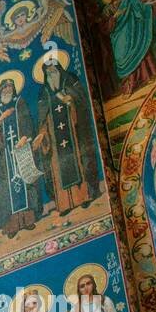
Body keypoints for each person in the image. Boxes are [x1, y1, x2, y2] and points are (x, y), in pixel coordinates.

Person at [34, 57, 101, 214]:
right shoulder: (44, 92)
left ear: (59, 70)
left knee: (80, 160)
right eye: (48, 72)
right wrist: (42, 133)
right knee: (58, 169)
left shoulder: (70, 80)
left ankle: (85, 196)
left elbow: (81, 98)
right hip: (55, 142)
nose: (51, 74)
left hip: (75, 133)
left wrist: (71, 99)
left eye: (54, 70)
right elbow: (42, 117)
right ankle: (64, 204)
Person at [0, 74, 42, 235]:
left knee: (26, 184)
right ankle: (13, 226)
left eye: (10, 87)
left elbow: (27, 122)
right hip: (5, 160)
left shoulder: (20, 103)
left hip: (21, 151)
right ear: (0, 91)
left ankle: (28, 220)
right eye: (5, 87)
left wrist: (24, 137)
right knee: (7, 192)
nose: (8, 90)